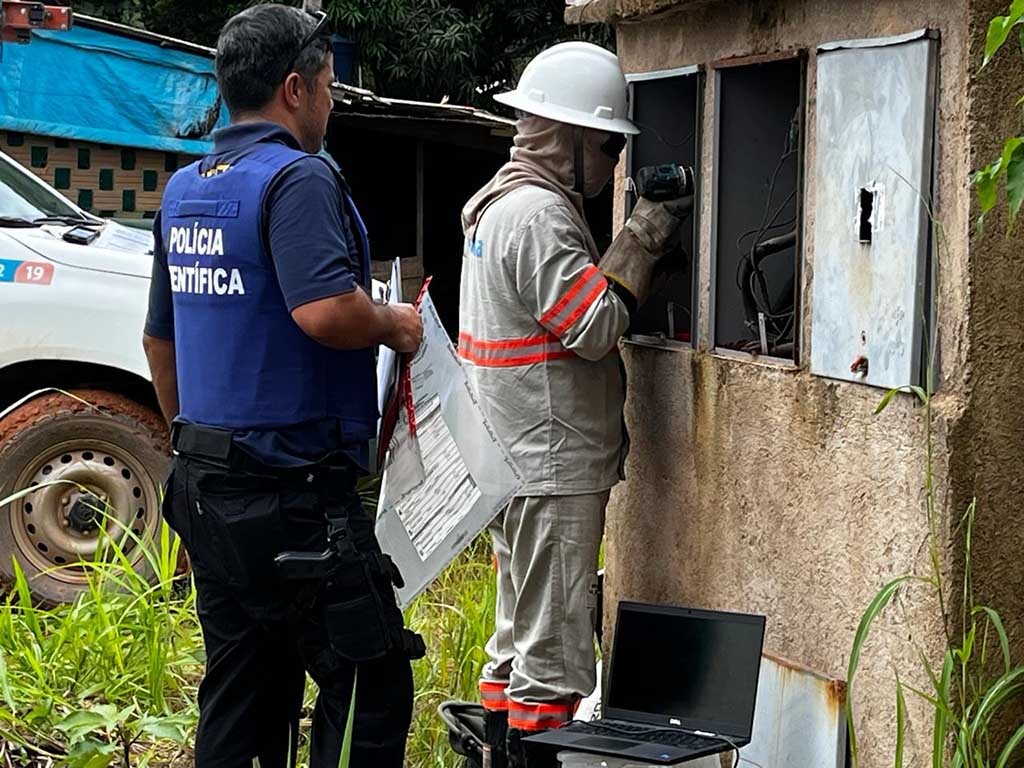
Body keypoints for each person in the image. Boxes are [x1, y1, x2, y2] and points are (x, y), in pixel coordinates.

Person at [141, 5, 425, 766]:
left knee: (245, 687)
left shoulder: (187, 189)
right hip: (295, 495)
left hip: (207, 486)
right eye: (330, 87)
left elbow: (158, 342)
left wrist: (192, 446)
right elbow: (327, 311)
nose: (332, 105)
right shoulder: (298, 178)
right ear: (295, 89)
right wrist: (396, 323)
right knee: (369, 683)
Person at [458, 42, 692, 768]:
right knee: (553, 665)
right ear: (573, 139)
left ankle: (496, 754)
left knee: (516, 645)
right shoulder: (539, 216)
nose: (613, 164)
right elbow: (591, 326)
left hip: (510, 458)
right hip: (550, 463)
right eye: (606, 147)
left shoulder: (500, 201)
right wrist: (645, 235)